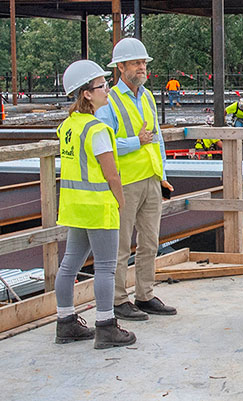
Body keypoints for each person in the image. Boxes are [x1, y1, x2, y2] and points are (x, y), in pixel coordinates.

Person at [49, 59, 137, 349]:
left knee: (69, 264)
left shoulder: (68, 127)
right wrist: (121, 201)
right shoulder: (96, 129)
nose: (107, 89)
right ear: (86, 93)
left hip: (74, 206)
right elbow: (111, 172)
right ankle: (106, 325)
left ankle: (66, 322)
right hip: (99, 206)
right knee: (106, 267)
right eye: (102, 86)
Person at [99, 37, 177, 321]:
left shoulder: (146, 96)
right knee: (121, 244)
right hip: (126, 183)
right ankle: (119, 299)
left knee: (150, 242)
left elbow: (157, 140)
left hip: (151, 180)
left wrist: (163, 175)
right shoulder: (110, 101)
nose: (142, 67)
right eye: (136, 63)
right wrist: (136, 141)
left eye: (143, 62)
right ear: (120, 67)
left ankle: (145, 294)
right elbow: (106, 144)